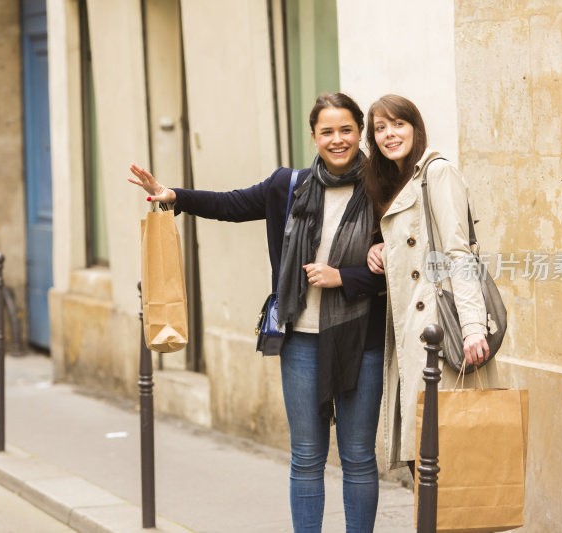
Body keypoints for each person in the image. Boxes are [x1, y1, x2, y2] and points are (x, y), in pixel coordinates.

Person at [129, 92, 386, 533]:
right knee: (306, 455)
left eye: (346, 130)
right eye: (328, 131)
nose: (338, 140)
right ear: (314, 136)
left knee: (358, 456)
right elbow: (230, 204)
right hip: (300, 340)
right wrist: (175, 196)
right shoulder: (287, 187)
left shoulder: (386, 191)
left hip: (361, 340)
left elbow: (400, 271)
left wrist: (346, 276)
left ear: (360, 132)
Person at [362, 94, 499, 478]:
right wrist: (382, 247)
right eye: (380, 128)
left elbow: (457, 252)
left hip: (441, 336)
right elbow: (415, 245)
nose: (390, 134)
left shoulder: (437, 172)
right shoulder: (397, 180)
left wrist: (472, 327)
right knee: (424, 461)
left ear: (416, 128)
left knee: (451, 460)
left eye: (398, 124)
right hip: (411, 336)